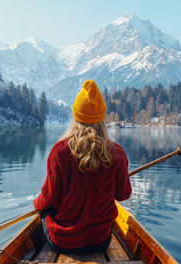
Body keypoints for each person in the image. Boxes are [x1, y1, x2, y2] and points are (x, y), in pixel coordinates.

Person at [33, 80, 131, 253]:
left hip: (63, 241)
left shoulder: (59, 152)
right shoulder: (117, 153)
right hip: (100, 240)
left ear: (76, 117)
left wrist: (36, 204)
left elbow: (48, 199)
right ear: (102, 118)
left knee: (44, 211)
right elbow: (123, 195)